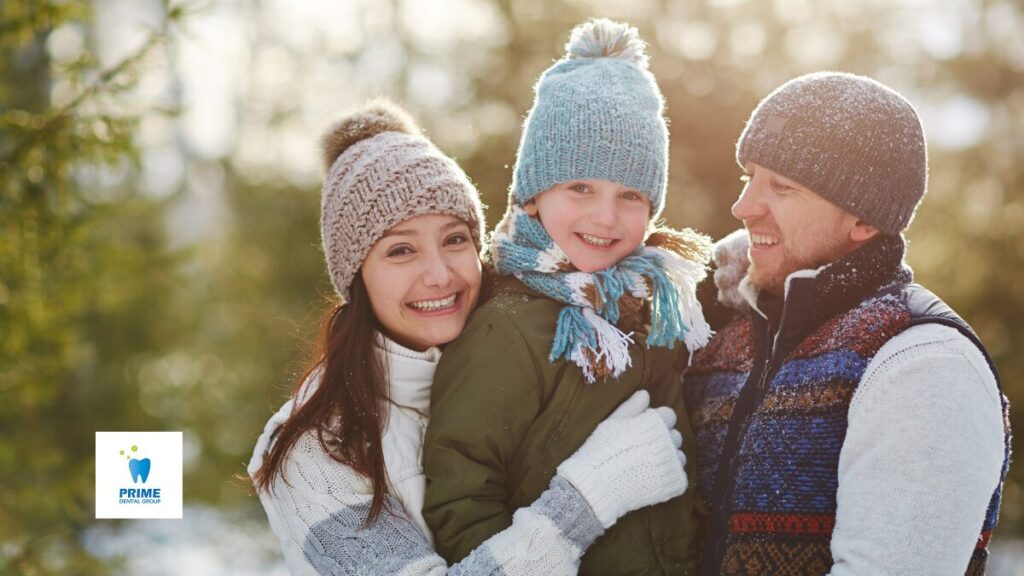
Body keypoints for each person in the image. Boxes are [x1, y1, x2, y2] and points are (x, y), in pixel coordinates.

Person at [247, 99, 691, 575]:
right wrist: (588, 497)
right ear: (356, 276)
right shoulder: (315, 449)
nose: (439, 275)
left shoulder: (523, 351)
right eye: (401, 250)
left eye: (455, 239)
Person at [684, 71, 1011, 575]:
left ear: (863, 221)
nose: (742, 206)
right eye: (749, 176)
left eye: (782, 187)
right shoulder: (719, 337)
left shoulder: (922, 364)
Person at [423, 19, 711, 574]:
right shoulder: (506, 328)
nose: (605, 216)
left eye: (630, 195)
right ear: (532, 196)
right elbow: (461, 500)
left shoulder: (652, 307)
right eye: (580, 187)